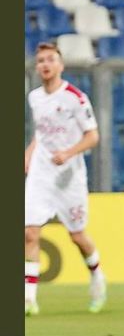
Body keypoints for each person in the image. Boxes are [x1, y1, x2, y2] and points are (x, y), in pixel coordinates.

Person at [25, 42, 107, 315]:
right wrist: (30, 151)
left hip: (69, 176)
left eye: (50, 60)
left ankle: (96, 274)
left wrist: (69, 152)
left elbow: (93, 136)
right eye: (41, 61)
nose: (45, 65)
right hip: (41, 173)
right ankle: (28, 298)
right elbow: (42, 132)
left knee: (76, 235)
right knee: (29, 231)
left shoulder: (76, 97)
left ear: (60, 65)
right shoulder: (34, 97)